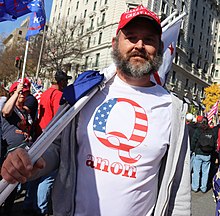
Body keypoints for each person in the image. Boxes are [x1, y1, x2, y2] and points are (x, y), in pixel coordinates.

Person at [1, 5, 191, 216]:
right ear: (114, 44)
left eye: (149, 39)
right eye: (131, 37)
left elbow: (179, 191)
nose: (139, 45)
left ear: (160, 47)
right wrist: (32, 160)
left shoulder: (173, 108)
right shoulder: (85, 92)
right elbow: (55, 146)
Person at [23, 70, 72, 216]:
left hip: (39, 137)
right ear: (61, 82)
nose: (67, 83)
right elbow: (60, 119)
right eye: (66, 81)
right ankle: (41, 209)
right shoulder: (58, 96)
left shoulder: (44, 94)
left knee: (35, 173)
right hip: (50, 139)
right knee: (48, 177)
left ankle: (28, 203)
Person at [0, 79, 33, 216]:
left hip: (22, 152)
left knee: (12, 186)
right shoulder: (10, 108)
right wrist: (15, 93)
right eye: (20, 93)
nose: (23, 95)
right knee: (3, 183)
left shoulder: (26, 110)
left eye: (25, 93)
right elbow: (6, 111)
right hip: (7, 153)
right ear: (14, 92)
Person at [191, 116, 216, 193]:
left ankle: (195, 187)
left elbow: (193, 141)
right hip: (207, 154)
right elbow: (214, 143)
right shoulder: (211, 131)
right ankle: (203, 187)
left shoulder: (198, 130)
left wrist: (193, 150)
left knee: (196, 171)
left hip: (198, 153)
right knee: (205, 172)